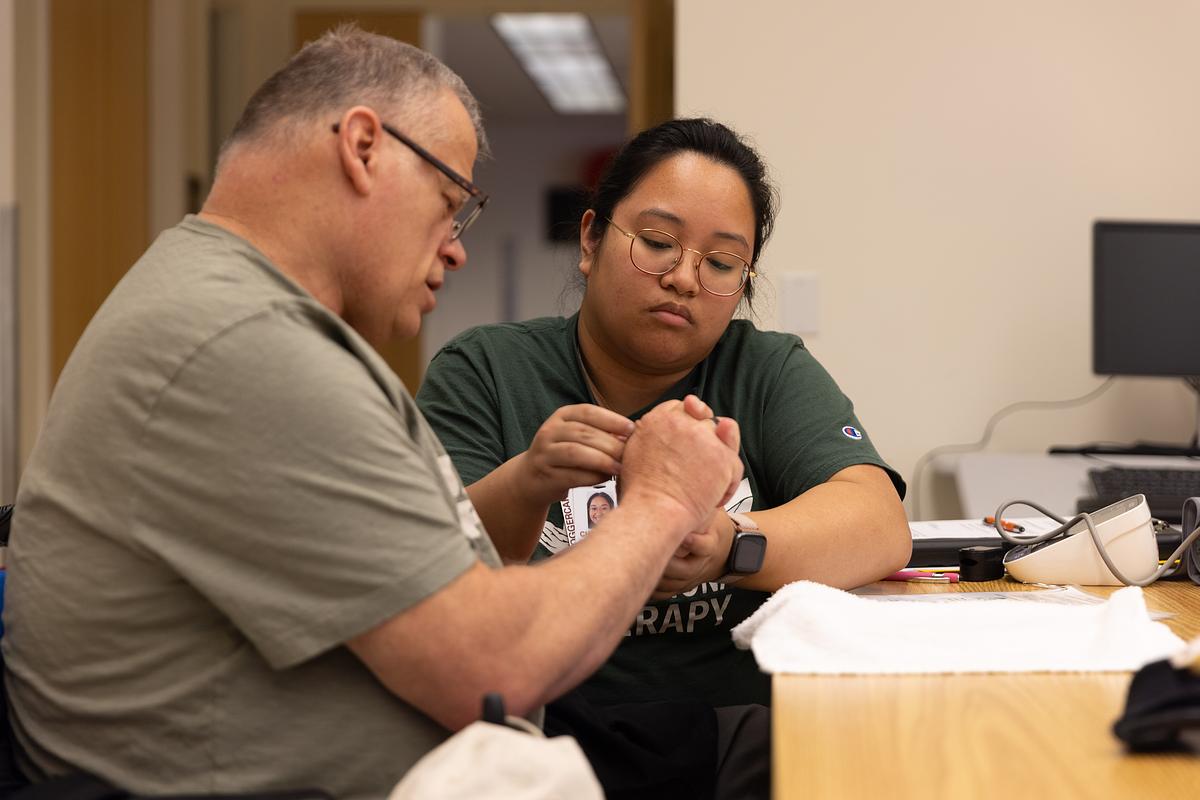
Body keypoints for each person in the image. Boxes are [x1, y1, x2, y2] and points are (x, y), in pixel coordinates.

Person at [1, 30, 746, 799]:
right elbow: (492, 670)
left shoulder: (242, 312)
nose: (456, 250)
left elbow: (457, 584)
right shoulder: (247, 344)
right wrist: (661, 500)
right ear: (362, 147)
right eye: (449, 203)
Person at [417, 118, 912, 709]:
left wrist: (728, 547)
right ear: (590, 240)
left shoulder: (765, 369)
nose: (683, 279)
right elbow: (434, 564)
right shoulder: (486, 369)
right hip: (540, 731)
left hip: (727, 742)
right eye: (656, 243)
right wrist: (526, 485)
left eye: (722, 264)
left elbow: (879, 524)